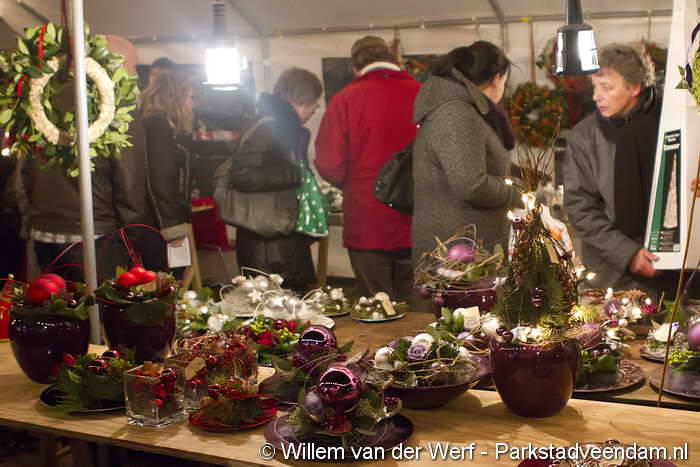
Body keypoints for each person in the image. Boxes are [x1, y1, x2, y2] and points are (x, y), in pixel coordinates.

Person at [20, 38, 146, 282]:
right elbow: (129, 185)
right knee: (99, 304)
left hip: (43, 233)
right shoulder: (120, 111)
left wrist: (31, 221)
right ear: (112, 64)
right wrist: (131, 239)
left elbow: (22, 176)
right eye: (133, 67)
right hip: (97, 236)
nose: (136, 76)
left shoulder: (41, 103)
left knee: (52, 304)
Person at [315, 36, 420, 301]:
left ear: (355, 66)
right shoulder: (422, 94)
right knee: (419, 305)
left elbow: (329, 163)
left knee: (377, 307)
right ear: (394, 59)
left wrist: (354, 184)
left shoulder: (344, 99)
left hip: (367, 217)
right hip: (417, 214)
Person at [564, 44, 670, 293]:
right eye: (595, 87)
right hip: (613, 277)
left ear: (634, 88)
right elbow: (580, 208)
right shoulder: (585, 136)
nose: (596, 96)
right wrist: (628, 253)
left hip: (677, 271)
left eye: (607, 87)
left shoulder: (670, 123)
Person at [411, 42, 520, 281]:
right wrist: (518, 193)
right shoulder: (456, 113)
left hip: (465, 246)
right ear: (497, 78)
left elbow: (472, 162)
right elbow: (471, 184)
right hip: (456, 253)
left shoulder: (463, 109)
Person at [232, 68, 323, 293]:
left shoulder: (280, 126)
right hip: (269, 244)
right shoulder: (270, 127)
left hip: (277, 238)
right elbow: (242, 175)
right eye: (314, 102)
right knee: (280, 306)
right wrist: (296, 175)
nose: (316, 108)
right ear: (300, 100)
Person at [139, 71, 196, 277]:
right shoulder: (159, 125)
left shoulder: (158, 124)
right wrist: (172, 227)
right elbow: (159, 180)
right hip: (159, 224)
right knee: (167, 282)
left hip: (158, 220)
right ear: (174, 96)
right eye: (190, 97)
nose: (193, 104)